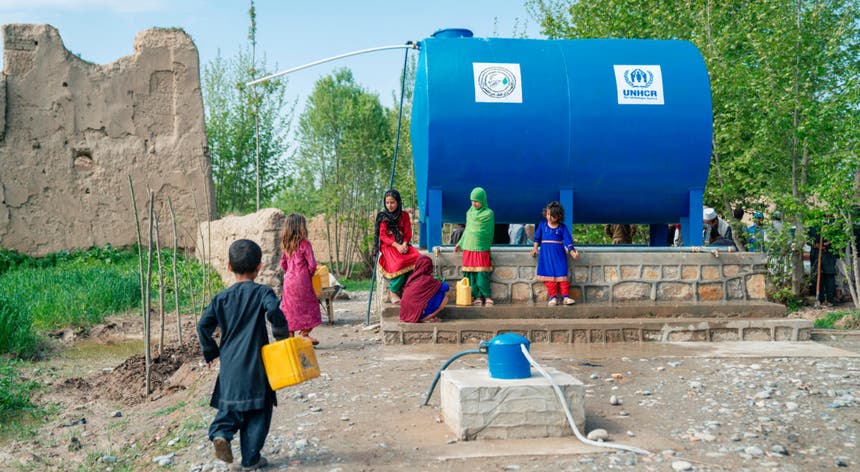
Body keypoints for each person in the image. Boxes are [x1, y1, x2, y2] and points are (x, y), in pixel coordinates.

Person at [197, 239, 291, 471]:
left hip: (230, 365)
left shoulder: (221, 298)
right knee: (259, 410)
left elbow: (202, 326)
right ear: (259, 267)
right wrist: (281, 336)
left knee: (230, 405)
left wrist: (211, 352)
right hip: (257, 365)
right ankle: (250, 459)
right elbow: (273, 310)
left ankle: (221, 433)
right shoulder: (263, 292)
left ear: (229, 266)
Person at [279, 213, 322, 345]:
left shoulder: (285, 245)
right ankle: (304, 334)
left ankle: (290, 337)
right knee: (311, 308)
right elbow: (312, 265)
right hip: (302, 280)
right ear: (301, 227)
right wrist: (307, 275)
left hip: (288, 281)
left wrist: (290, 273)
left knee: (290, 309)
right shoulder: (305, 244)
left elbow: (283, 264)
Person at [374, 189, 420, 304]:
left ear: (398, 202)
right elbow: (383, 236)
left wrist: (404, 244)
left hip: (402, 243)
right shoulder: (383, 216)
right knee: (400, 262)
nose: (389, 206)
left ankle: (408, 289)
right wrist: (397, 246)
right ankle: (393, 291)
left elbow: (407, 233)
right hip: (389, 245)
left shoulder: (404, 215)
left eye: (392, 202)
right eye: (387, 203)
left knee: (418, 259)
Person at [531, 201, 580, 306]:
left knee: (562, 274)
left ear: (559, 216)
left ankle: (565, 297)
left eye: (553, 216)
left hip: (559, 255)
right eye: (548, 214)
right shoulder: (542, 225)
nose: (549, 217)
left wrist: (572, 252)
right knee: (549, 276)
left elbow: (568, 241)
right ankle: (553, 298)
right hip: (546, 254)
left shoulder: (562, 227)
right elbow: (537, 238)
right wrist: (535, 248)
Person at [454, 187, 495, 306]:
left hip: (481, 247)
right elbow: (468, 230)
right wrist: (460, 243)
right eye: (472, 201)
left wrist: (484, 241)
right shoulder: (469, 213)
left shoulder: (489, 213)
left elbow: (489, 231)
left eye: (477, 201)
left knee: (482, 273)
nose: (474, 203)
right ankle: (476, 296)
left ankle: (486, 296)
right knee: (470, 274)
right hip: (469, 247)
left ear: (482, 200)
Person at [399, 255, 449, 323]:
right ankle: (425, 318)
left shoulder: (412, 278)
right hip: (417, 314)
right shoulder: (427, 279)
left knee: (434, 290)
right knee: (443, 295)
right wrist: (438, 282)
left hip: (405, 314)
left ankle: (422, 316)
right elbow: (446, 287)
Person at [809, 225, 837, 306]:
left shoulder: (831, 225)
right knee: (817, 276)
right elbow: (808, 240)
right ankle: (820, 300)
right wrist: (817, 246)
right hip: (816, 254)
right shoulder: (812, 226)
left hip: (828, 254)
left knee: (829, 276)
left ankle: (830, 300)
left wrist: (824, 245)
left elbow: (835, 239)